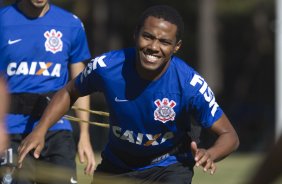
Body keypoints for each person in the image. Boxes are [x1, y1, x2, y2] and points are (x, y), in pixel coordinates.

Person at [18, 5, 240, 184]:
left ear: (177, 47)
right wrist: (40, 130)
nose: (154, 46)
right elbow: (69, 91)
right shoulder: (107, 68)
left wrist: (210, 154)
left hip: (168, 166)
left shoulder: (190, 85)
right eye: (148, 36)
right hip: (117, 165)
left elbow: (229, 135)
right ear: (136, 35)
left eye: (164, 42)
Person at [0, 0, 95, 183]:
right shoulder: (3, 20)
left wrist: (84, 134)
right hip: (12, 129)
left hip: (56, 129)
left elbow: (80, 83)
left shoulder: (71, 24)